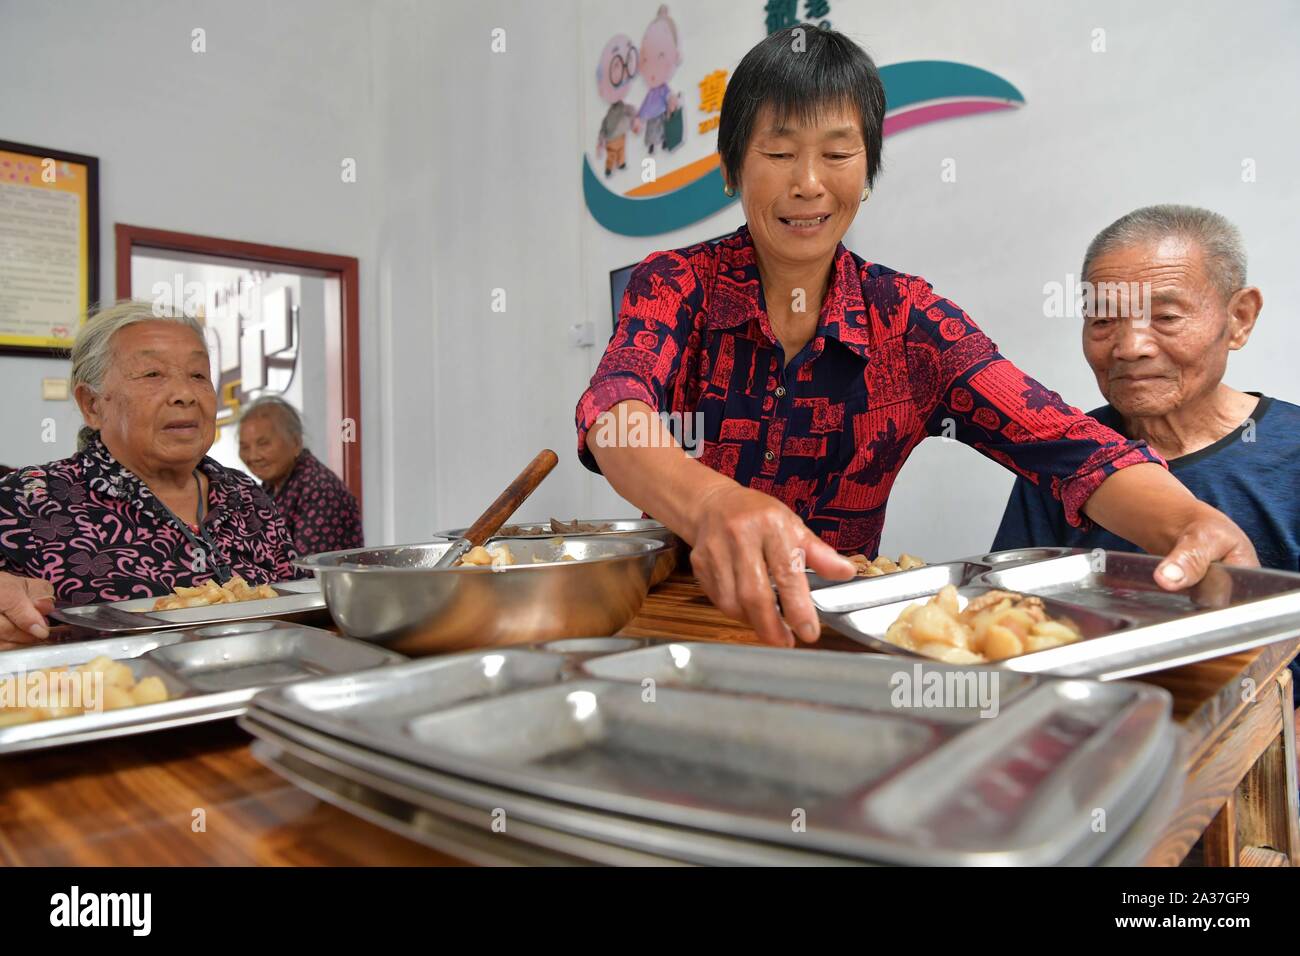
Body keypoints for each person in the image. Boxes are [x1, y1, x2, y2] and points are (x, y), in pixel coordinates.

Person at [574, 26, 1256, 648]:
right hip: (673, 626)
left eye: (838, 153)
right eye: (779, 152)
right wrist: (712, 502)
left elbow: (1065, 443)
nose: (808, 183)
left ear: (866, 173)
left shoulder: (908, 320)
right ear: (732, 170)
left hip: (831, 635)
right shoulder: (676, 284)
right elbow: (612, 415)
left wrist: (1187, 523)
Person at [994, 205, 1300, 569]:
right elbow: (1012, 612)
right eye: (1104, 319)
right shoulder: (1066, 455)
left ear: (1239, 318)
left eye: (1166, 317)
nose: (1130, 348)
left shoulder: (1291, 452)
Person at [0, 301, 300, 646]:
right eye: (152, 374)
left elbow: (297, 602)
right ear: (93, 405)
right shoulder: (26, 500)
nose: (185, 395)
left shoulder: (247, 495)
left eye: (198, 375)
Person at [238, 396, 363, 555]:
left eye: (263, 444)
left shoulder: (319, 490)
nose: (253, 456)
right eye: (244, 447)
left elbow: (307, 568)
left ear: (296, 442)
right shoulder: (270, 486)